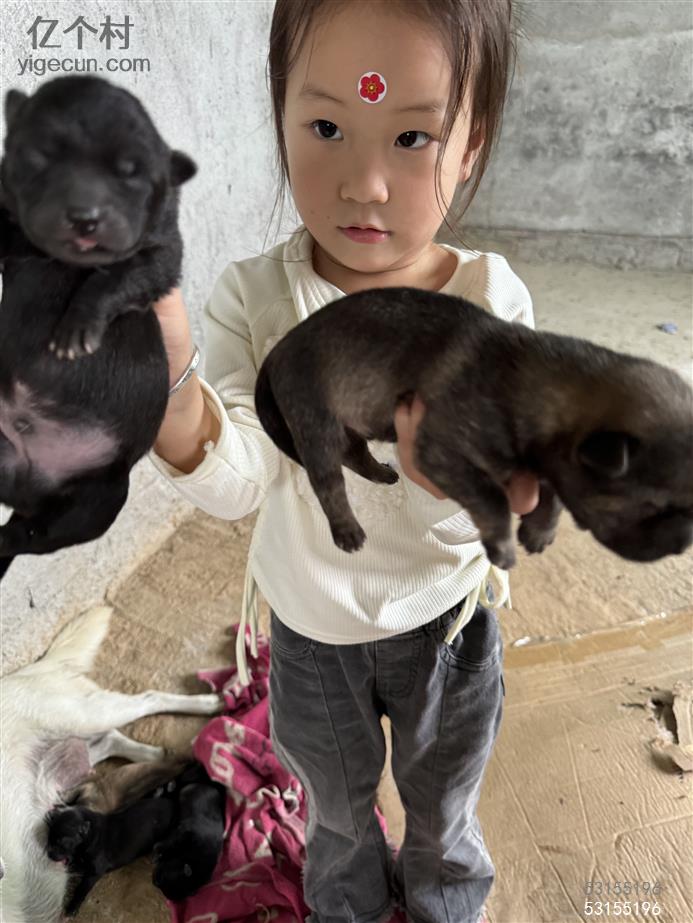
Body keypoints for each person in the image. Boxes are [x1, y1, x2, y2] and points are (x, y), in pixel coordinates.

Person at [151, 2, 538, 921]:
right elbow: (241, 475)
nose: (364, 184)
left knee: (443, 808)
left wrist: (472, 485)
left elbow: (511, 496)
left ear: (472, 145)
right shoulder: (255, 297)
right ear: (279, 114)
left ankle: (446, 898)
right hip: (312, 635)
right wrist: (170, 391)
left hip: (444, 625)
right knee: (334, 813)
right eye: (326, 127)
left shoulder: (489, 301)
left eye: (412, 137)